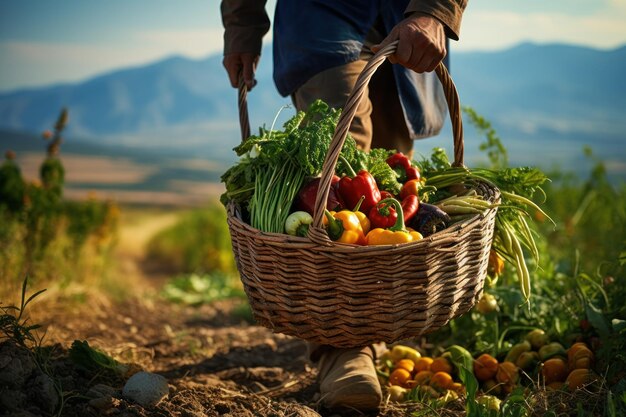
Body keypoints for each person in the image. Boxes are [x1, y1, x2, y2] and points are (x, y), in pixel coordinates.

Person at [221, 0, 468, 411]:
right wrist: (242, 25)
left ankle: (375, 322)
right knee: (337, 167)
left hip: (403, 12)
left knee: (387, 175)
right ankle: (344, 350)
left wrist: (435, 9)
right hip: (320, 17)